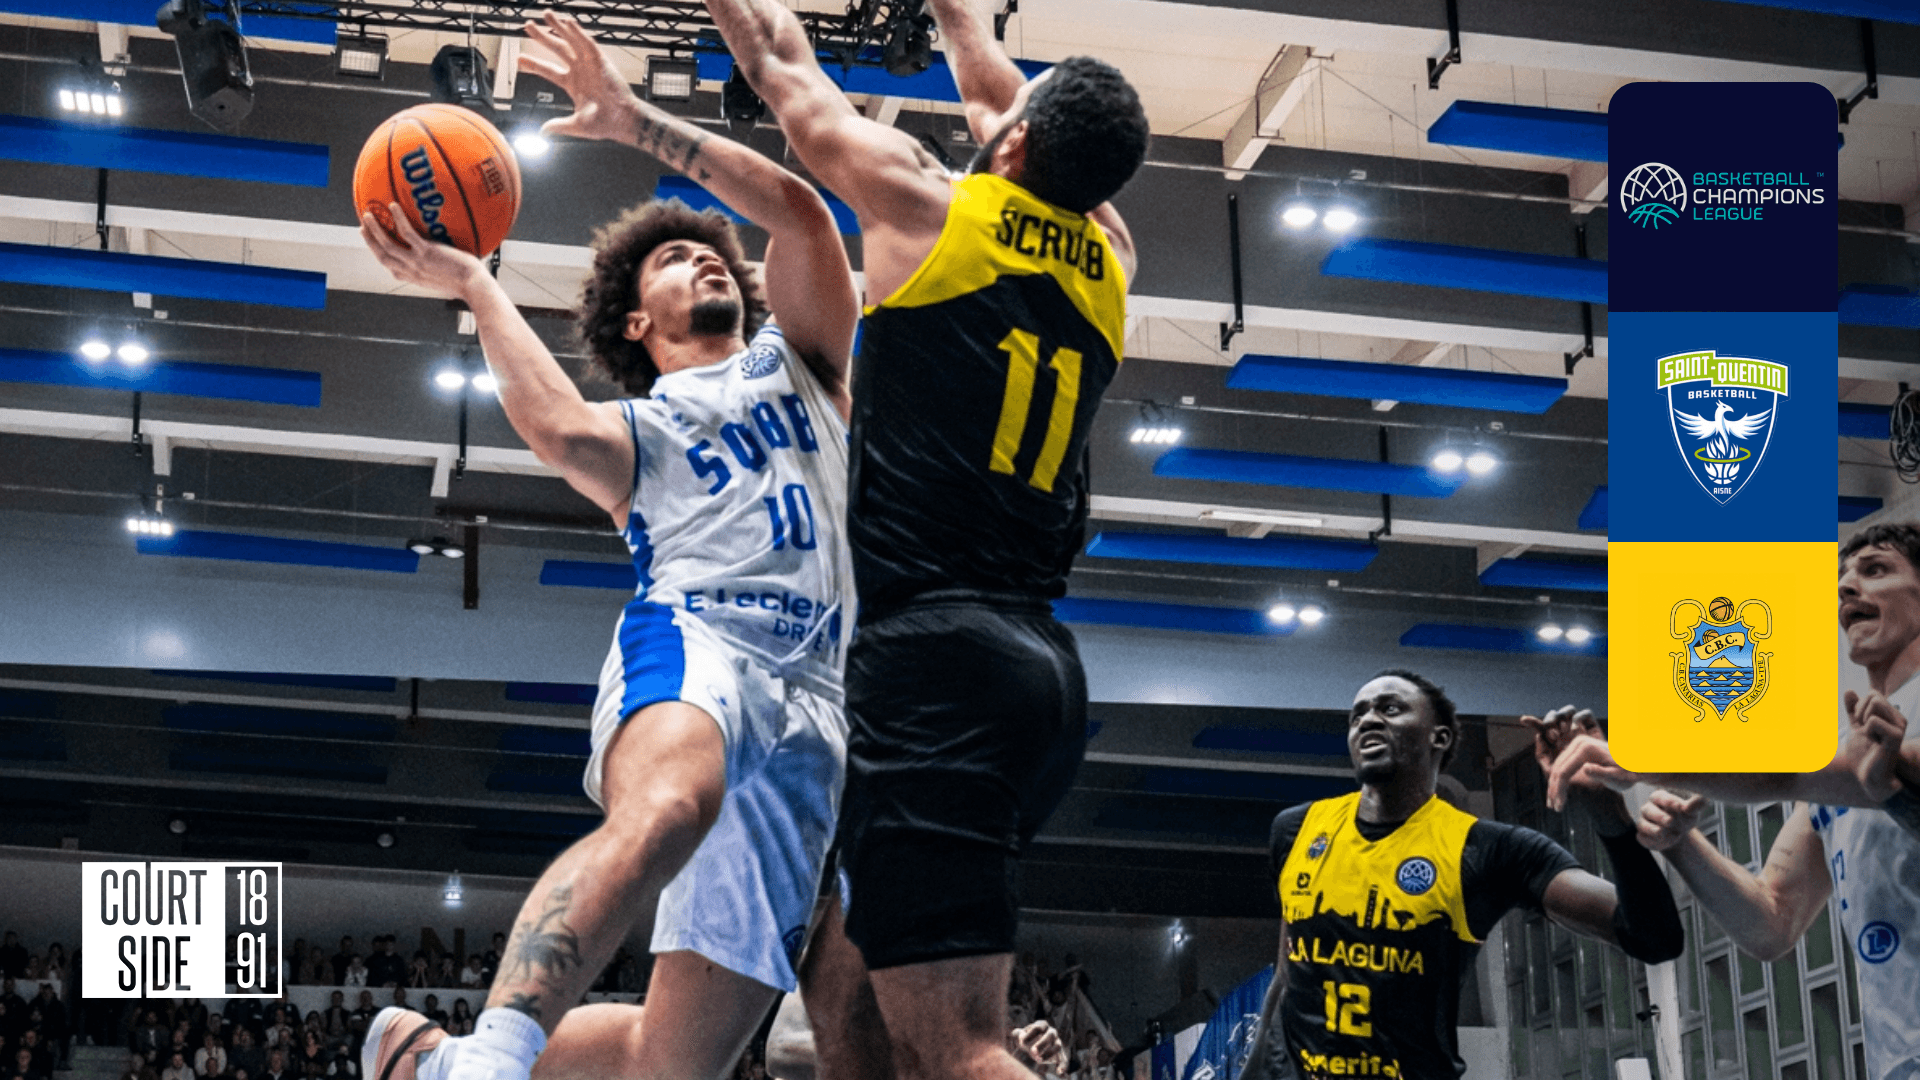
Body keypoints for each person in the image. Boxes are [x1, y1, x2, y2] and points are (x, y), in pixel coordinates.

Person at [357, 11, 863, 1080]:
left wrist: (633, 121)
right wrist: (477, 284)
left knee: (671, 1063)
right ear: (637, 324)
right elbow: (552, 425)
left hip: (819, 697)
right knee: (669, 804)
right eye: (673, 260)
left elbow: (806, 215)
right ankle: (493, 1059)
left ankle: (434, 1061)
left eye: (711, 253)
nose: (702, 258)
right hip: (704, 640)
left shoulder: (803, 362)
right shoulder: (644, 430)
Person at [696, 0, 1147, 1076]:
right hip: (1033, 668)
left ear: (1019, 145)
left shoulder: (928, 207)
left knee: (957, 1046)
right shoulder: (1112, 255)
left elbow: (781, 62)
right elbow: (999, 95)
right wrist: (956, 19)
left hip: (934, 663)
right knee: (840, 993)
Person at [1535, 522, 1920, 1080]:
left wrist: (1641, 754)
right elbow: (1771, 922)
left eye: (1876, 570)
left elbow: (1782, 772)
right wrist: (1678, 841)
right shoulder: (1847, 752)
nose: (1846, 586)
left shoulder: (1852, 756)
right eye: (1842, 577)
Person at [1238, 671, 1685, 1080]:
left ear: (1440, 736)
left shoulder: (1489, 850)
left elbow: (1654, 938)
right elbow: (1287, 975)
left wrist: (1606, 811)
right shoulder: (1297, 830)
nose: (1368, 720)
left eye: (1390, 709)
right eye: (1358, 715)